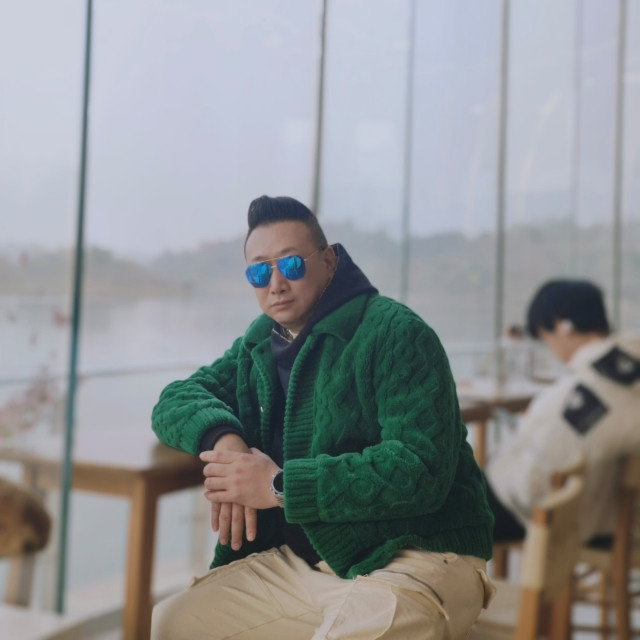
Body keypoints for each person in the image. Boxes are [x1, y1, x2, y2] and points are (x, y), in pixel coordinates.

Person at [150, 195, 494, 640]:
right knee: (175, 622)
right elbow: (175, 399)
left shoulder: (397, 333)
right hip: (307, 567)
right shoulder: (259, 345)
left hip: (419, 557)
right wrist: (226, 442)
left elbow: (420, 468)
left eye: (291, 264)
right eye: (259, 272)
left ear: (329, 261)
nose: (276, 284)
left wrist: (277, 486)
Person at [485, 279, 640, 546]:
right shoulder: (626, 368)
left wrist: (501, 459)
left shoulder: (585, 395)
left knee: (446, 504)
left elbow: (532, 490)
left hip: (576, 521)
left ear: (561, 326)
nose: (552, 349)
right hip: (616, 511)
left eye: (545, 338)